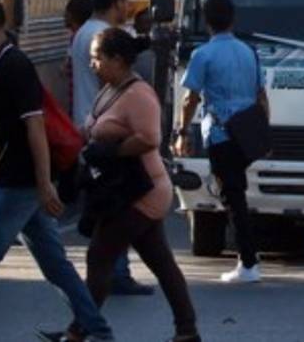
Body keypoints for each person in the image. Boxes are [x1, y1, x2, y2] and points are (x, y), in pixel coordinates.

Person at [0, 0, 112, 342]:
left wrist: (43, 183)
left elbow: (36, 128)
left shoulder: (14, 67)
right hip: (21, 183)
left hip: (16, 184)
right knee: (54, 264)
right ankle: (98, 331)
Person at [43, 28, 199, 342]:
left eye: (97, 58)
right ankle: (187, 331)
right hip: (122, 190)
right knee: (161, 263)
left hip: (142, 190)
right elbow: (92, 129)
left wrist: (112, 150)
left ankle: (78, 332)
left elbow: (150, 139)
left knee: (99, 255)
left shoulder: (139, 94)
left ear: (117, 59)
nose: (92, 65)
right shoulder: (111, 89)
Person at [174, 0, 266, 283]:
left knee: (232, 195)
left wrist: (182, 131)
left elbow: (190, 98)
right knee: (237, 191)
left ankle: (248, 262)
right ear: (233, 18)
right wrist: (264, 131)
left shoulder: (203, 55)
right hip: (247, 131)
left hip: (221, 132)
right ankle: (248, 257)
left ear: (206, 20)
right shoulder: (249, 52)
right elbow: (261, 96)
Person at [68, 0, 151, 296]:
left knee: (108, 205)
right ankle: (115, 272)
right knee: (118, 204)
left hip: (90, 125)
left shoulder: (82, 33)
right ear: (117, 1)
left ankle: (113, 270)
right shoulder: (104, 36)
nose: (129, 5)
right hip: (109, 130)